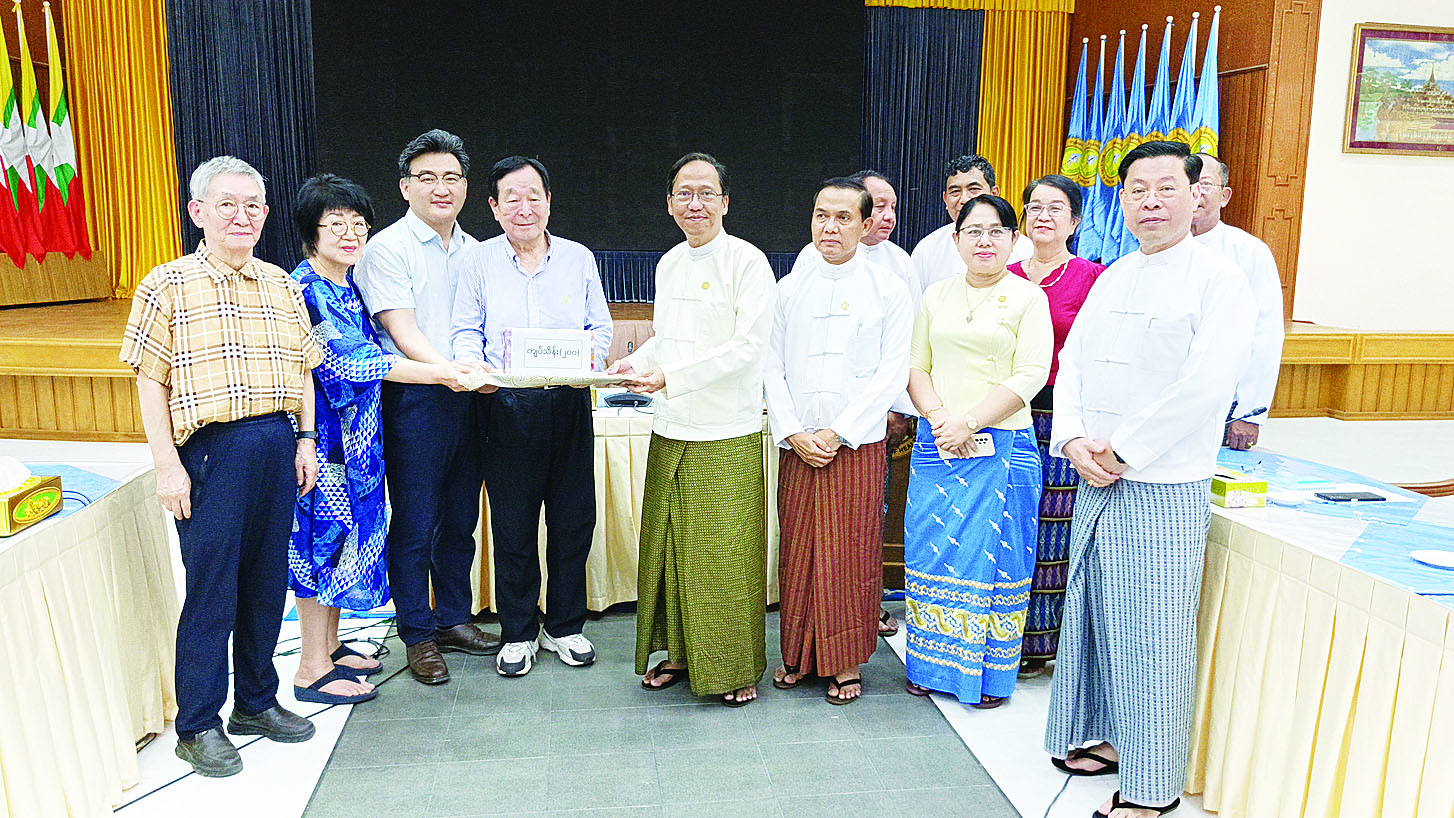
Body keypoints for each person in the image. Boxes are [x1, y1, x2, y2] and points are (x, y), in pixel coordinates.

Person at [1044, 141, 1254, 818]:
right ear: (1122, 200)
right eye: (1137, 189)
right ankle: (1114, 739)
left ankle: (1150, 787)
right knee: (1099, 616)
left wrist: (1124, 452)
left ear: (1197, 195)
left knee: (1154, 635)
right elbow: (1073, 363)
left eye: (1167, 188)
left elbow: (1205, 385)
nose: (1151, 202)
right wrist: (1073, 438)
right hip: (1094, 472)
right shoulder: (1114, 275)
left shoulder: (1220, 279)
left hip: (1162, 483)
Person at [121, 156, 324, 777]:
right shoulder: (166, 284)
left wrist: (306, 441)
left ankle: (256, 703)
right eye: (227, 204)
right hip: (209, 452)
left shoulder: (282, 285)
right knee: (213, 590)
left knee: (266, 584)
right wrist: (166, 466)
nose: (242, 216)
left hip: (276, 444)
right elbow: (149, 380)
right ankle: (198, 724)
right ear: (198, 212)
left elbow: (304, 370)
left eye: (253, 206)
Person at [288, 174, 477, 705]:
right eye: (335, 224)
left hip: (358, 443)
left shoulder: (344, 283)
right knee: (321, 546)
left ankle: (331, 645)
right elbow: (357, 361)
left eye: (358, 223)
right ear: (310, 230)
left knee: (344, 541)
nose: (350, 234)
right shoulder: (307, 288)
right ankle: (311, 668)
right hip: (326, 446)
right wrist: (443, 372)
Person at [605, 152, 775, 707]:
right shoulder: (669, 262)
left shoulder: (748, 262)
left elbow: (748, 348)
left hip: (727, 432)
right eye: (684, 193)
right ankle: (680, 654)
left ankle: (735, 666)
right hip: (671, 426)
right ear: (669, 204)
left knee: (724, 554)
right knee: (672, 546)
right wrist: (634, 363)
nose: (694, 203)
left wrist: (668, 376)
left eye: (706, 193)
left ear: (725, 202)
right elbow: (668, 339)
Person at [450, 155, 612, 677]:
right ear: (494, 207)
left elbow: (600, 328)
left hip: (568, 402)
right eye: (512, 199)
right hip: (505, 405)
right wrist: (474, 369)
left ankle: (565, 627)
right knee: (514, 525)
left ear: (549, 201)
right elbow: (465, 329)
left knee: (572, 522)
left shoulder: (578, 258)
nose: (525, 208)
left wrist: (588, 363)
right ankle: (518, 631)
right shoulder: (478, 261)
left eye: (533, 196)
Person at [354, 129, 500, 686]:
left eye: (452, 177)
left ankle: (453, 619)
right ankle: (416, 632)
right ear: (405, 187)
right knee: (417, 521)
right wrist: (454, 373)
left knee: (460, 519)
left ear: (465, 187)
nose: (441, 188)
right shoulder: (386, 248)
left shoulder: (478, 251)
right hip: (415, 398)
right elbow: (402, 330)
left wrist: (480, 374)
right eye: (427, 177)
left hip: (471, 398)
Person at [764, 177, 913, 705]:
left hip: (857, 445)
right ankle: (798, 654)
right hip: (797, 445)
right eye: (821, 215)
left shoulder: (890, 290)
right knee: (799, 549)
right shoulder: (788, 288)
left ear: (866, 224)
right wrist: (792, 430)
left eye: (843, 217)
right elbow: (770, 365)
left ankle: (844, 660)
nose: (829, 227)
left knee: (849, 552)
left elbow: (892, 371)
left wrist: (839, 431)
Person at [902, 194, 1052, 708]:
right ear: (956, 239)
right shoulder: (935, 295)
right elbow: (916, 366)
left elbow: (1031, 373)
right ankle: (930, 666)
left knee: (998, 560)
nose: (984, 241)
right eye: (974, 231)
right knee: (932, 552)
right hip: (937, 442)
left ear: (1014, 239)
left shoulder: (1029, 298)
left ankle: (985, 678)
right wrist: (941, 418)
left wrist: (969, 421)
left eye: (996, 231)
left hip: (1003, 445)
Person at [1007, 175, 1105, 677]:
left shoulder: (1093, 277)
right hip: (1006, 413)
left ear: (1075, 220)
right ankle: (1000, 634)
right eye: (1034, 207)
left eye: (1055, 208)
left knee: (1053, 525)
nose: (1042, 216)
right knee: (1009, 519)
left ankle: (1043, 641)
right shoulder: (1001, 273)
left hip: (1060, 416)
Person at [1191, 152, 1284, 451]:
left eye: (1206, 184)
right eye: (1188, 183)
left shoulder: (1250, 252)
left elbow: (1265, 334)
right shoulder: (1152, 249)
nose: (1196, 192)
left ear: (1225, 196)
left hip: (1224, 406)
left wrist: (1249, 411)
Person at [910, 155, 1033, 293]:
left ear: (994, 194)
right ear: (945, 199)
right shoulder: (927, 250)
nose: (964, 199)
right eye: (955, 192)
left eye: (973, 189)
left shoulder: (1025, 249)